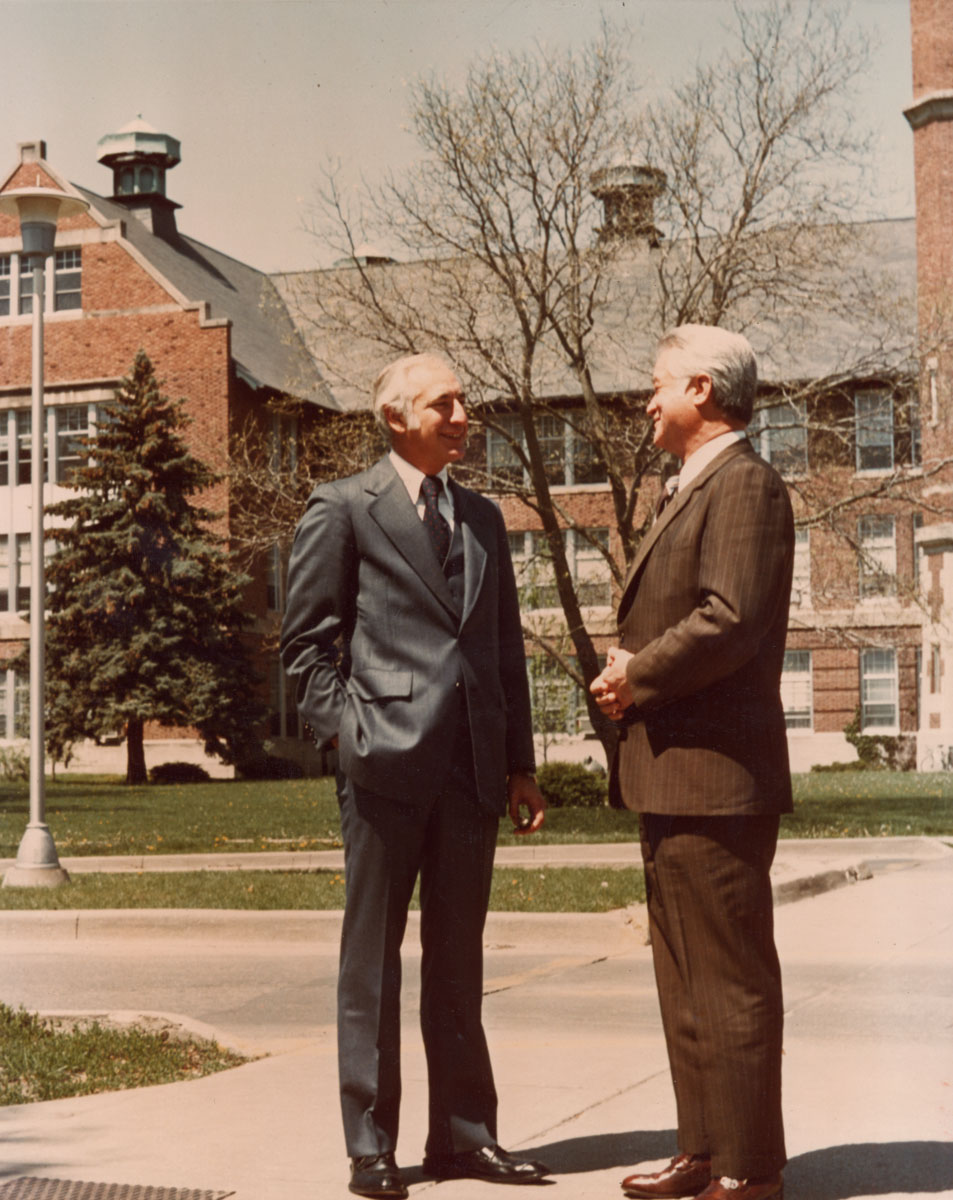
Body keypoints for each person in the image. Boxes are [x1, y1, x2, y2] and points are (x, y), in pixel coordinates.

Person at [281, 352, 551, 1199]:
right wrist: (349, 735)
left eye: (464, 402)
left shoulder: (481, 517)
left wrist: (519, 765)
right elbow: (306, 646)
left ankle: (464, 1137)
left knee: (459, 961)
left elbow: (502, 647)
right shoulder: (342, 508)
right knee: (372, 963)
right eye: (445, 404)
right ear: (397, 417)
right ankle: (371, 1145)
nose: (463, 415)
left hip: (472, 771)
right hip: (383, 767)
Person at [591, 325, 793, 1200]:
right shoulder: (696, 486)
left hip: (715, 777)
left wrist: (636, 673)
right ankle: (702, 1150)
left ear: (702, 390)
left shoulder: (745, 486)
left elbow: (729, 617)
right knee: (684, 978)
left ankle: (747, 1168)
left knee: (729, 978)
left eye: (657, 384)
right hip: (676, 772)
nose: (647, 401)